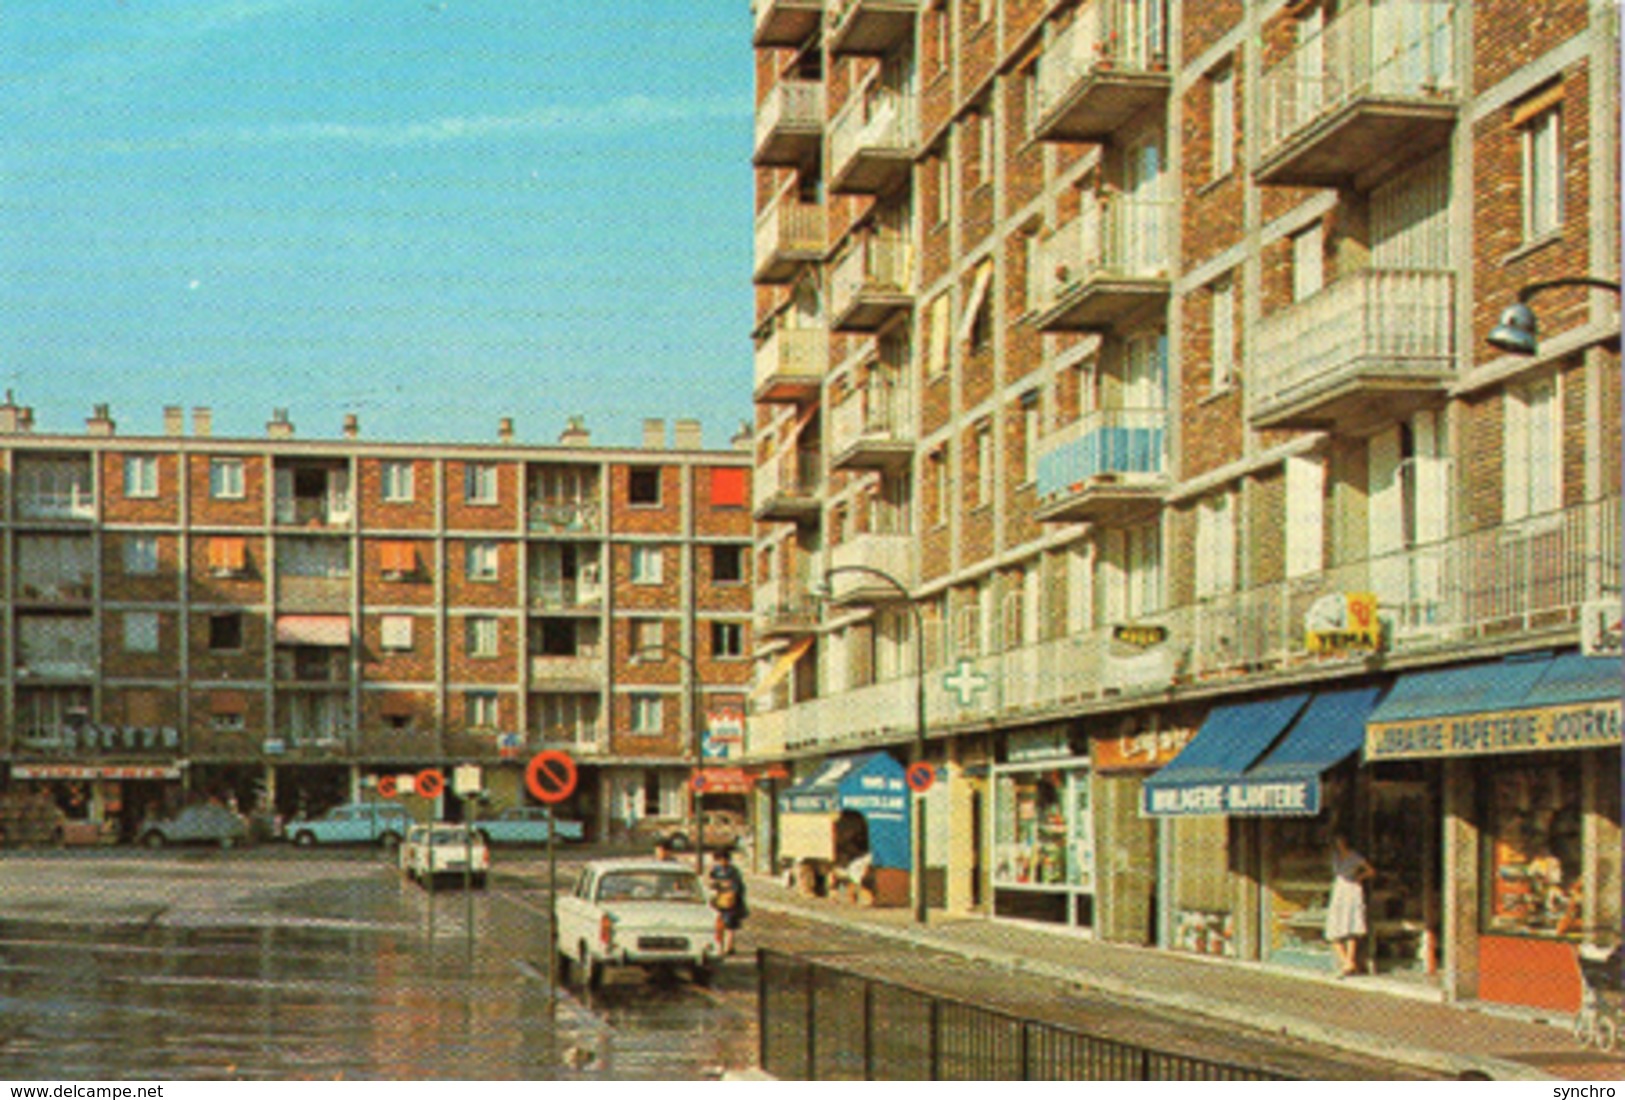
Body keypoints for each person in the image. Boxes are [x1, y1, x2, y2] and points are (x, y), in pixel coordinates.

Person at [1325, 832, 1376, 977]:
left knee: (1351, 925)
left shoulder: (1355, 857)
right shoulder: (1335, 857)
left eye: (1340, 841)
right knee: (1333, 930)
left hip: (1351, 890)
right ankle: (1347, 962)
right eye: (1336, 842)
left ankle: (1349, 961)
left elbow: (1371, 871)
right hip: (1339, 890)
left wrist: (1359, 877)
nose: (1338, 844)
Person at [707, 847, 747, 956]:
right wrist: (719, 885)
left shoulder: (733, 871)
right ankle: (719, 946)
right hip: (718, 900)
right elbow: (710, 883)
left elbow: (737, 886)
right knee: (719, 924)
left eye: (724, 859)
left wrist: (731, 891)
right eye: (719, 860)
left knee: (730, 924)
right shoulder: (715, 870)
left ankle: (729, 946)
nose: (722, 862)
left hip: (730, 900)